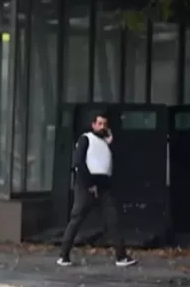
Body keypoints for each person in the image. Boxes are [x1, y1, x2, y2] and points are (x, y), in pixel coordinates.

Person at [58, 110, 136, 267]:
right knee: (77, 219)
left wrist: (109, 139)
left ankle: (121, 256)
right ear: (93, 124)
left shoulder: (105, 143)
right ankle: (63, 255)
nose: (102, 127)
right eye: (99, 124)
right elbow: (78, 163)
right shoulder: (86, 138)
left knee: (112, 219)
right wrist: (89, 184)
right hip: (87, 184)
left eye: (105, 124)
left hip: (103, 185)